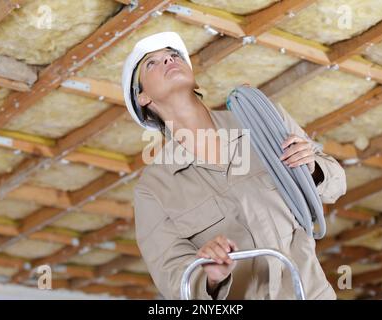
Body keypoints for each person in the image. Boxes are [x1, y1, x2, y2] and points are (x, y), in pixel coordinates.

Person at [121, 32, 347, 300]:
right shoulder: (154, 188)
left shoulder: (262, 121)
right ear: (143, 97)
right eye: (152, 63)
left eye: (174, 55)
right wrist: (211, 277)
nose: (169, 60)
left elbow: (337, 184)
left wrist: (312, 168)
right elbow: (172, 276)